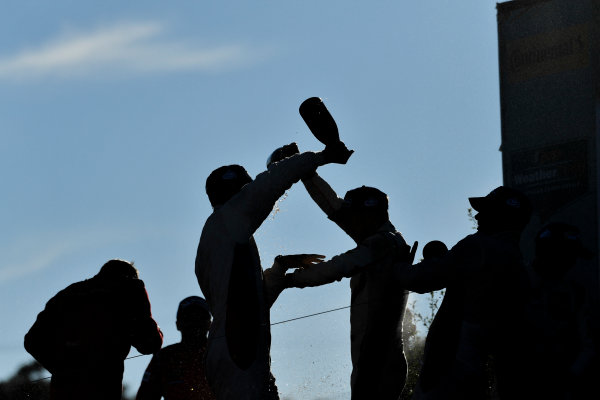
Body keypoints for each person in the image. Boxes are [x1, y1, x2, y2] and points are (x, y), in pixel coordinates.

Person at [194, 141, 352, 400]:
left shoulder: (219, 239)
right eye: (246, 187)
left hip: (232, 349)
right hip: (239, 351)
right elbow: (273, 180)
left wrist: (279, 270)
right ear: (234, 192)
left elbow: (252, 303)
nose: (251, 191)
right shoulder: (229, 218)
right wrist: (324, 155)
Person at [281, 172, 413, 400]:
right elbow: (333, 208)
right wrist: (305, 172)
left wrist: (291, 280)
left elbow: (339, 266)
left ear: (368, 216)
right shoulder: (384, 237)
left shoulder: (382, 243)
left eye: (354, 217)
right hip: (374, 360)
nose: (349, 223)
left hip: (377, 360)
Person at [395, 186, 532, 399]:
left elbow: (420, 280)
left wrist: (398, 267)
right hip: (482, 372)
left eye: (485, 210)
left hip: (449, 364)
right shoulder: (518, 263)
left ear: (500, 216)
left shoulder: (478, 246)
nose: (477, 215)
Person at [24, 259, 163, 400]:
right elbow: (150, 344)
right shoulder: (128, 289)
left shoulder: (68, 294)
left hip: (64, 392)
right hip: (103, 390)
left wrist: (62, 369)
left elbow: (32, 340)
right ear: (130, 277)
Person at [522, 222, 597, 400]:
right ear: (547, 252)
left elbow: (587, 342)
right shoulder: (515, 283)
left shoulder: (575, 292)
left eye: (573, 256)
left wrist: (570, 377)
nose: (571, 262)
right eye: (566, 255)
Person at [136, 296, 216, 400]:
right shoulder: (164, 358)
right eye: (188, 318)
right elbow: (145, 396)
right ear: (178, 324)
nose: (195, 322)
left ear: (210, 324)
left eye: (200, 317)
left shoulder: (220, 355)